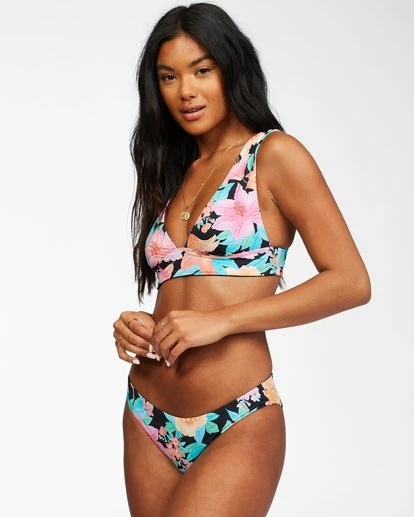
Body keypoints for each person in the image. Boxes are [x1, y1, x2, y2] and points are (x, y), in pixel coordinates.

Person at [112, 3, 371, 516]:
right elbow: (184, 286)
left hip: (236, 416)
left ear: (232, 68)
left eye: (201, 70)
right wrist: (137, 326)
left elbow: (350, 281)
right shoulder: (175, 171)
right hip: (146, 413)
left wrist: (221, 321)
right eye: (168, 77)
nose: (185, 91)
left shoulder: (274, 155)